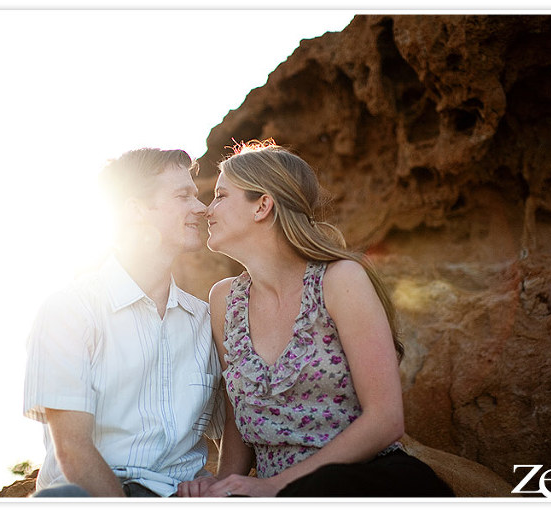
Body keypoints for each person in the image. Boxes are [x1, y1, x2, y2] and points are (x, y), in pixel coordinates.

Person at [177, 140, 454, 498]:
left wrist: (273, 486)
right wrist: (224, 484)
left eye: (220, 195)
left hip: (358, 482)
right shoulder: (224, 300)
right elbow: (238, 418)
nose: (206, 209)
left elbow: (386, 420)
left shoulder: (340, 280)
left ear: (262, 205)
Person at [23, 148, 224, 498]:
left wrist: (225, 480)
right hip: (93, 496)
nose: (201, 207)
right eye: (183, 196)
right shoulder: (69, 311)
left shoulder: (205, 320)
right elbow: (72, 451)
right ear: (135, 211)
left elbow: (243, 419)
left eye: (197, 195)